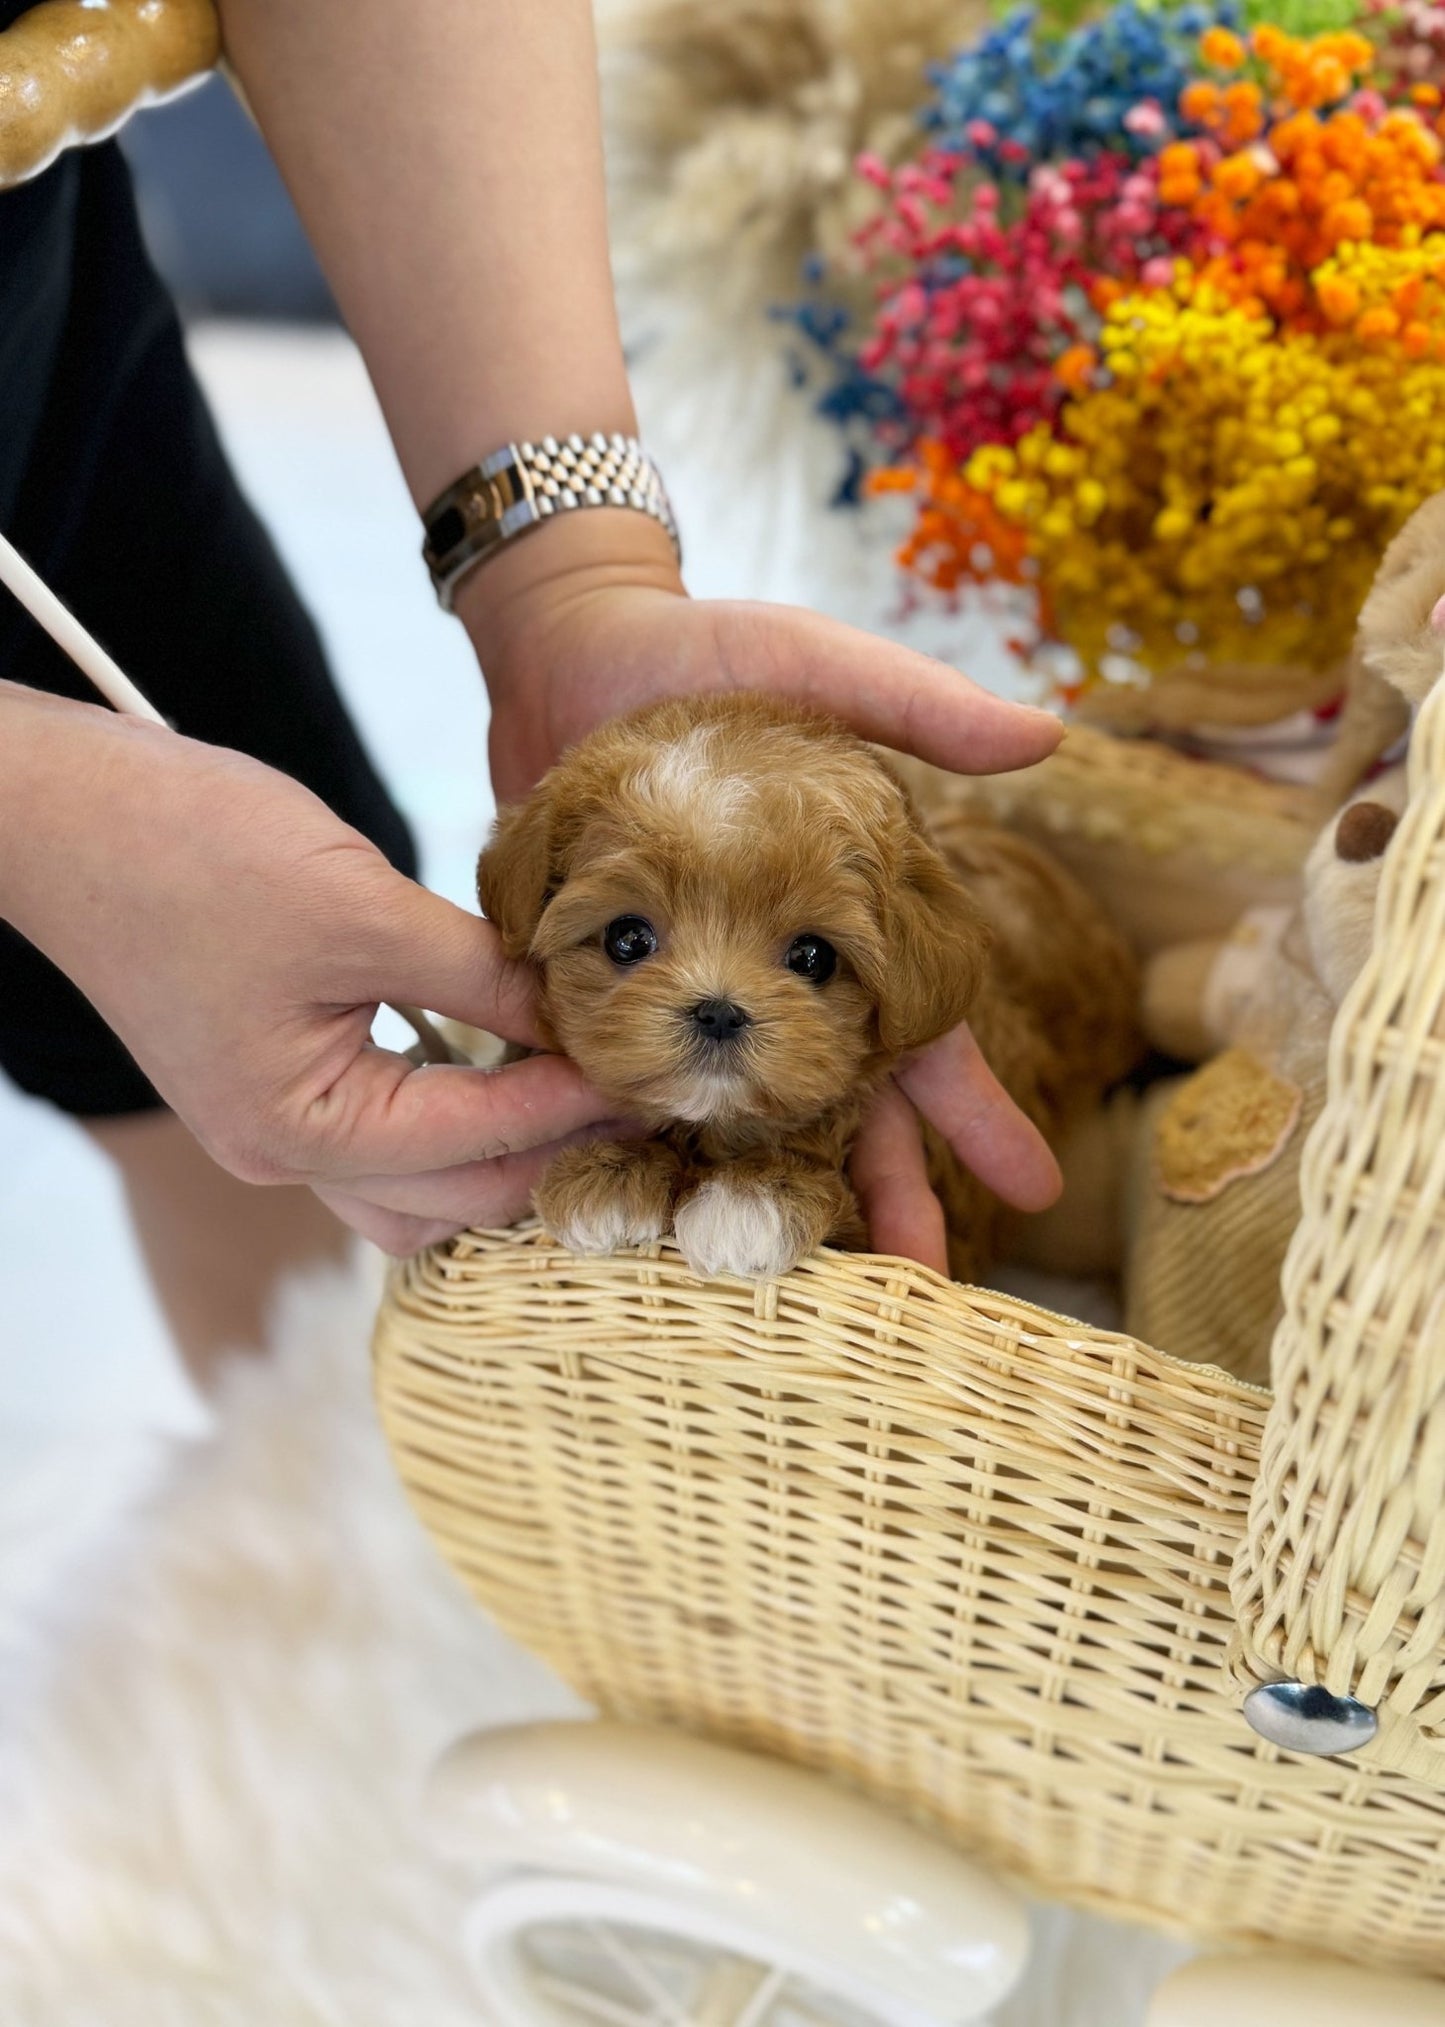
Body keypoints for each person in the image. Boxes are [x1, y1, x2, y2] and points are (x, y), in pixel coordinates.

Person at [0, 0, 1063, 1375]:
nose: (715, 994)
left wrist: (567, 578)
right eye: (626, 942)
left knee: (254, 1052)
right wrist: (46, 816)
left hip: (39, 281)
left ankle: (327, 1472)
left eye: (805, 957)